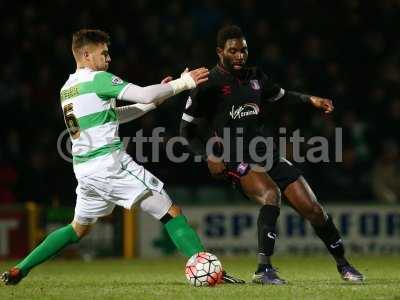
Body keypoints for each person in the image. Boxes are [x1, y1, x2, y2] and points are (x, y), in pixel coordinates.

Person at [1, 29, 243, 285]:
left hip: (85, 170)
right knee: (170, 211)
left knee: (76, 229)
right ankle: (209, 270)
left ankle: (21, 268)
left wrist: (153, 102)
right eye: (103, 53)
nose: (108, 59)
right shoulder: (97, 79)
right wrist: (184, 83)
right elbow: (144, 94)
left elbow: (114, 114)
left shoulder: (68, 89)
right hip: (110, 164)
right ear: (85, 54)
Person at [180, 25, 364, 285]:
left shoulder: (256, 76)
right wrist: (208, 154)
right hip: (234, 157)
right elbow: (185, 129)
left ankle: (344, 265)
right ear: (220, 52)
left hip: (265, 151)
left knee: (313, 209)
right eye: (233, 51)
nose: (240, 55)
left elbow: (281, 96)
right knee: (271, 194)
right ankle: (263, 270)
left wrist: (310, 99)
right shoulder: (207, 84)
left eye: (243, 50)